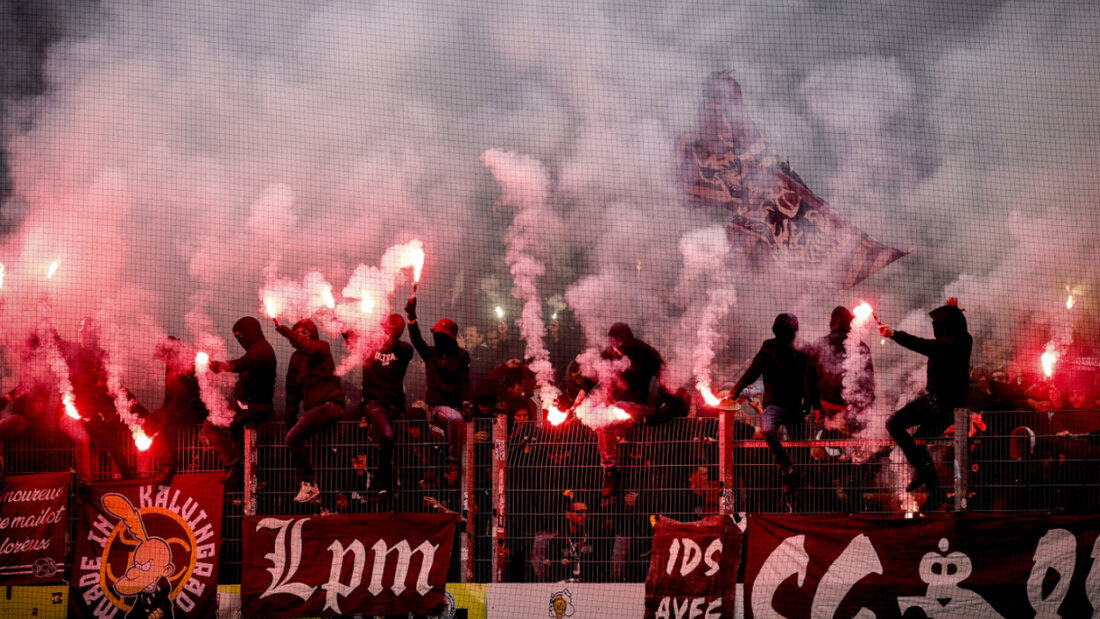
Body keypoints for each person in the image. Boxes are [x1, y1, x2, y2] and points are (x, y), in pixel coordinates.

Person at [878, 298, 972, 510]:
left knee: (893, 423)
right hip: (951, 407)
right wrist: (953, 311)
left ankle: (925, 470)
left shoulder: (952, 343)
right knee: (919, 442)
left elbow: (924, 345)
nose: (935, 328)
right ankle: (936, 492)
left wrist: (894, 334)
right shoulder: (962, 339)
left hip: (940, 402)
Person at [731, 313, 808, 494]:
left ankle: (796, 481)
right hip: (774, 404)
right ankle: (787, 467)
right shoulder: (768, 347)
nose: (784, 336)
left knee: (803, 447)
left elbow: (809, 378)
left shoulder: (803, 349)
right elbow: (753, 370)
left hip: (794, 406)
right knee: (766, 429)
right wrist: (736, 389)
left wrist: (809, 404)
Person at [595, 322, 668, 506]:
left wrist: (655, 408)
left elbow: (666, 379)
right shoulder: (607, 353)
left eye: (620, 343)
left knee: (606, 420)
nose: (617, 348)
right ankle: (610, 473)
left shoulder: (646, 352)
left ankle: (611, 472)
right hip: (615, 408)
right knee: (600, 421)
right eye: (613, 344)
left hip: (638, 406)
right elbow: (600, 381)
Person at [274, 318, 345, 503]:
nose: (300, 336)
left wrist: (286, 331)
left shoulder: (321, 347)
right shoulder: (295, 359)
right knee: (323, 456)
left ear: (312, 334)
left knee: (294, 438)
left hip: (330, 406)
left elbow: (309, 347)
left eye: (303, 332)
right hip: (315, 411)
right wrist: (290, 419)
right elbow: (292, 391)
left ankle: (308, 483)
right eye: (296, 332)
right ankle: (329, 505)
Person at [60, 317, 136, 482]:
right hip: (70, 412)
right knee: (83, 438)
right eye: (80, 327)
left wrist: (105, 412)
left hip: (92, 413)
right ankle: (85, 482)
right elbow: (53, 340)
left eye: (87, 329)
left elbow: (108, 385)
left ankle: (128, 478)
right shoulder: (71, 350)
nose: (83, 331)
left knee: (114, 440)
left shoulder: (102, 356)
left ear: (95, 334)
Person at [404, 296, 470, 486]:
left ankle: (461, 486)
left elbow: (465, 382)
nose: (437, 338)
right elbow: (417, 341)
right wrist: (411, 318)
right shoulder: (431, 354)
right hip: (437, 408)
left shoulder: (462, 356)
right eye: (436, 335)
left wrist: (467, 403)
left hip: (457, 406)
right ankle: (454, 464)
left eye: (441, 336)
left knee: (462, 424)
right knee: (455, 419)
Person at [204, 316, 276, 486]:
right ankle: (246, 473)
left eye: (240, 335)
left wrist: (223, 366)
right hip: (249, 406)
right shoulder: (257, 349)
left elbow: (243, 363)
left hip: (255, 407)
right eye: (236, 337)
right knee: (237, 439)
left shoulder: (260, 350)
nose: (239, 340)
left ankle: (235, 467)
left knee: (211, 425)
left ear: (250, 332)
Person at [356, 313, 414, 499]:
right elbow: (349, 334)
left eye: (395, 328)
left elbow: (404, 348)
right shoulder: (370, 345)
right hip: (375, 404)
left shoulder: (404, 350)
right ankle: (380, 483)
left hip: (396, 406)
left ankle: (403, 490)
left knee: (404, 446)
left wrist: (387, 337)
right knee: (387, 436)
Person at [149, 337, 207, 489]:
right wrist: (164, 412)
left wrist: (168, 413)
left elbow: (195, 390)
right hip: (177, 414)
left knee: (182, 447)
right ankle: (173, 471)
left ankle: (175, 473)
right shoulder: (172, 365)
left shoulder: (189, 361)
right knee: (176, 445)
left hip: (189, 414)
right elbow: (169, 394)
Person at [805, 306, 875, 433]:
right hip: (852, 409)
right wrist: (866, 406)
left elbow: (810, 379)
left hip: (827, 407)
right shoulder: (861, 347)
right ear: (850, 323)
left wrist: (815, 407)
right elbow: (868, 381)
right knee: (854, 442)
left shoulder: (819, 345)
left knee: (828, 440)